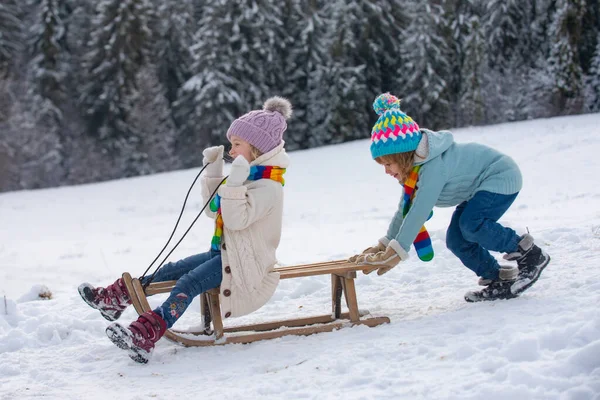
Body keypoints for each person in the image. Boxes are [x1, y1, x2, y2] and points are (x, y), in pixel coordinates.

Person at [78, 97, 292, 363]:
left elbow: (236, 221)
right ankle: (115, 300)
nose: (231, 150)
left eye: (237, 144)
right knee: (170, 269)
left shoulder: (268, 187)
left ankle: (147, 334)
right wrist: (215, 172)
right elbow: (214, 210)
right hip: (224, 255)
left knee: (188, 283)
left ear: (257, 150)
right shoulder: (247, 177)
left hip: (246, 266)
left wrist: (234, 184)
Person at [350, 93, 550, 302]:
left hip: (500, 176)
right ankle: (498, 277)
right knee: (456, 240)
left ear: (402, 155)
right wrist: (385, 245)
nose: (386, 171)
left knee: (471, 224)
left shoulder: (433, 167)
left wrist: (396, 252)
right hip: (478, 189)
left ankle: (530, 253)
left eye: (388, 164)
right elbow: (405, 210)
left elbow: (419, 211)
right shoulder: (414, 173)